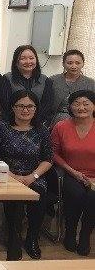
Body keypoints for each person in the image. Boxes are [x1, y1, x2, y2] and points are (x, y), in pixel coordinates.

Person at [0, 90, 53, 261]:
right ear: (13, 108)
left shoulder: (42, 130)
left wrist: (33, 176)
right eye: (21, 106)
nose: (25, 110)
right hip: (6, 176)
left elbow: (48, 159)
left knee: (39, 194)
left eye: (30, 106)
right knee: (14, 197)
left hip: (34, 176)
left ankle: (32, 238)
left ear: (36, 109)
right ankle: (13, 237)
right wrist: (12, 176)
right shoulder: (1, 128)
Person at [51, 90, 95, 256]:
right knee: (75, 194)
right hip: (71, 173)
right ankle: (70, 232)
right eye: (76, 103)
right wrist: (72, 172)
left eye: (86, 103)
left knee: (92, 197)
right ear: (70, 107)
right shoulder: (61, 126)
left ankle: (85, 235)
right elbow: (53, 153)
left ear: (94, 106)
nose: (81, 107)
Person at [0, 45, 54, 126]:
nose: (28, 62)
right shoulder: (7, 79)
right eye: (23, 58)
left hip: (37, 124)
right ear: (16, 61)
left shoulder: (45, 80)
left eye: (31, 58)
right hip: (10, 124)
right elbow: (6, 105)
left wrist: (33, 123)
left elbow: (47, 106)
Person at [50, 50, 95, 126]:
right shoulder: (53, 80)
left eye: (77, 63)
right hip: (55, 120)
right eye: (70, 63)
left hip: (83, 120)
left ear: (83, 64)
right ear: (63, 64)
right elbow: (46, 103)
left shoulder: (91, 83)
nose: (74, 66)